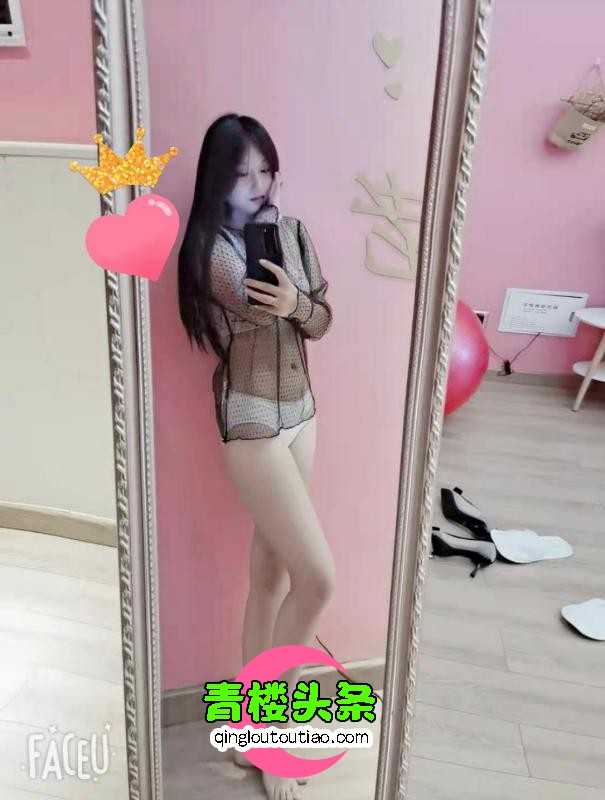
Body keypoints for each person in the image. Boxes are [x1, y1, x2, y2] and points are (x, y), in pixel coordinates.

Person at [178, 113, 336, 800]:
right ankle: (272, 737)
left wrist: (300, 299)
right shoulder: (212, 251)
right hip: (251, 424)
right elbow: (259, 309)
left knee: (270, 577)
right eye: (241, 174)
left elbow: (320, 320)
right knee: (318, 580)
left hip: (302, 415)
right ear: (216, 180)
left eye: (266, 170)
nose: (257, 185)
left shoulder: (293, 232)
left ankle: (249, 731)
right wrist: (291, 300)